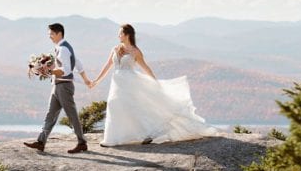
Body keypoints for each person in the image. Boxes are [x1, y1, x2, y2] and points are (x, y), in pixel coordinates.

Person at [88, 23, 220, 146]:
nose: (118, 36)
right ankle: (111, 138)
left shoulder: (136, 51)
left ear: (127, 35)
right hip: (117, 83)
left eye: (120, 33)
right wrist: (97, 81)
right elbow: (107, 66)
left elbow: (145, 68)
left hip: (130, 84)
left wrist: (156, 82)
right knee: (113, 105)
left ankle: (146, 134)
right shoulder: (115, 49)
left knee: (132, 108)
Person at [24, 23, 93, 154]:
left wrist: (48, 71)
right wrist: (86, 80)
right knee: (50, 115)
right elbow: (77, 63)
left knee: (72, 116)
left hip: (64, 87)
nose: (49, 36)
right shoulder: (62, 47)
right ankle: (41, 142)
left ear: (58, 33)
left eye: (51, 33)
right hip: (57, 86)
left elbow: (66, 70)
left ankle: (82, 143)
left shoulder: (64, 49)